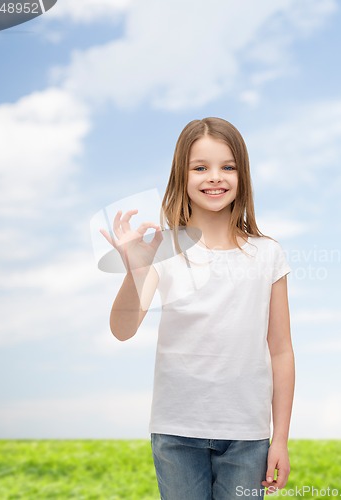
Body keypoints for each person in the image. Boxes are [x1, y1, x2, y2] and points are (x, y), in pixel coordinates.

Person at [100, 117, 295, 499]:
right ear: (182, 176)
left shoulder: (268, 253)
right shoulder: (162, 248)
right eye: (200, 167)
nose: (214, 177)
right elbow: (122, 329)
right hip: (177, 432)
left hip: (247, 435)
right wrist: (136, 270)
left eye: (227, 167)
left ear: (242, 175)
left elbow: (281, 349)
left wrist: (281, 438)